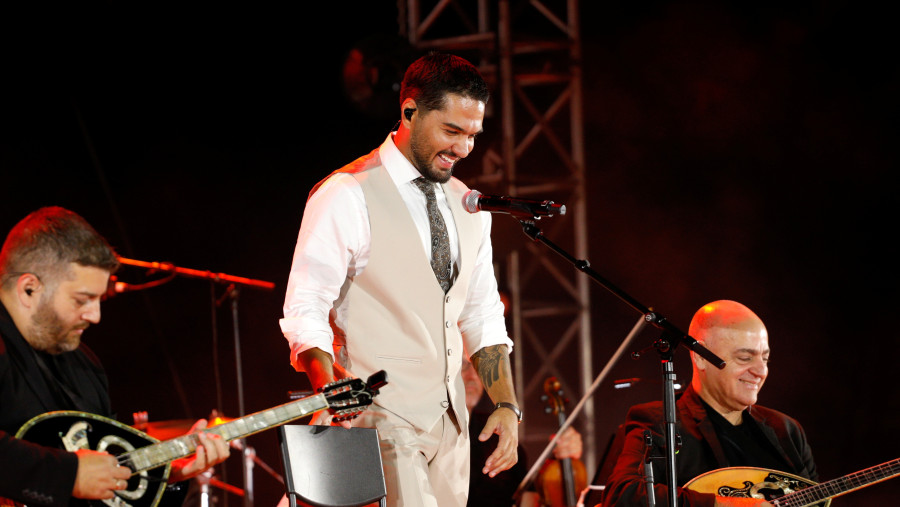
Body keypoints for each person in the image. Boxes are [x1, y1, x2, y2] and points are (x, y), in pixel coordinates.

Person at [279, 51, 520, 507]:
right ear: (409, 112)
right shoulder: (346, 193)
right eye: (452, 131)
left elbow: (482, 315)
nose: (464, 148)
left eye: (472, 135)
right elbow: (305, 307)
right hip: (376, 416)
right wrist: (328, 388)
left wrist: (507, 404)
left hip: (450, 427)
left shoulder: (468, 204)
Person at [0, 206, 230, 507]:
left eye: (99, 299)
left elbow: (106, 473)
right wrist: (68, 474)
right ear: (29, 289)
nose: (95, 316)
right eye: (82, 300)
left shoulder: (84, 364)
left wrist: (168, 472)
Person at [600, 300, 818, 507]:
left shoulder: (786, 429)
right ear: (700, 357)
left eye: (765, 358)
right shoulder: (659, 422)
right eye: (745, 358)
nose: (760, 371)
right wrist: (723, 504)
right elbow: (622, 496)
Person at [462, 358, 583, 507]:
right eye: (463, 365)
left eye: (478, 367)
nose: (473, 376)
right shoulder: (435, 434)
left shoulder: (498, 432)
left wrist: (558, 460)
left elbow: (527, 496)